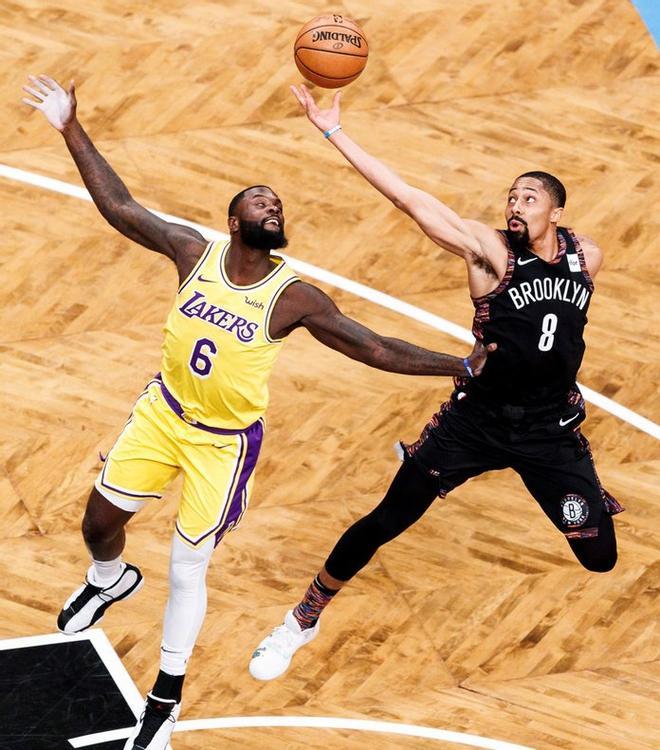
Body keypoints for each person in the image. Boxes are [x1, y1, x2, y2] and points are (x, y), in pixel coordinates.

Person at [22, 74, 491, 750]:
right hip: (163, 412)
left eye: (276, 203)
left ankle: (165, 700)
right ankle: (110, 579)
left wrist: (459, 363)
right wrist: (71, 128)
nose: (273, 206)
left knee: (188, 568)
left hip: (222, 443)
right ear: (234, 218)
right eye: (260, 201)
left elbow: (376, 346)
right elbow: (120, 206)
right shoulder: (194, 252)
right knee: (97, 523)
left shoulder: (292, 297)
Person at [248, 85, 623, 682]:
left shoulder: (588, 257)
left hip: (550, 431)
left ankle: (588, 487)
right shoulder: (488, 255)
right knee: (385, 521)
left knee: (600, 559)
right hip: (473, 424)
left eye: (528, 197)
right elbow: (410, 200)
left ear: (556, 212)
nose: (515, 205)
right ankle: (303, 618)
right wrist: (332, 132)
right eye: (510, 197)